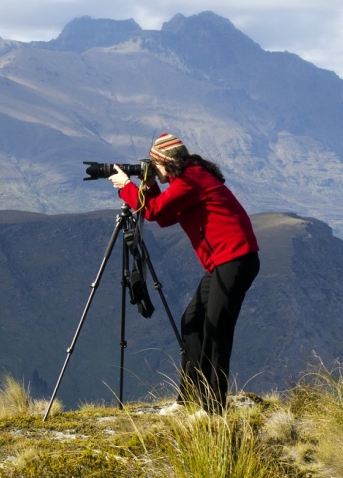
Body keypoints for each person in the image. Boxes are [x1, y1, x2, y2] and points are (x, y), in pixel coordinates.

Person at [108, 133, 260, 414]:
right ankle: (189, 398)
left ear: (166, 163)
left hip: (236, 259)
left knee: (216, 331)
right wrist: (149, 186)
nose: (154, 171)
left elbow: (153, 212)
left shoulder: (192, 180)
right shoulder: (188, 179)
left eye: (155, 166)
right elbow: (164, 217)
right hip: (224, 261)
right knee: (192, 320)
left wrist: (126, 187)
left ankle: (213, 409)